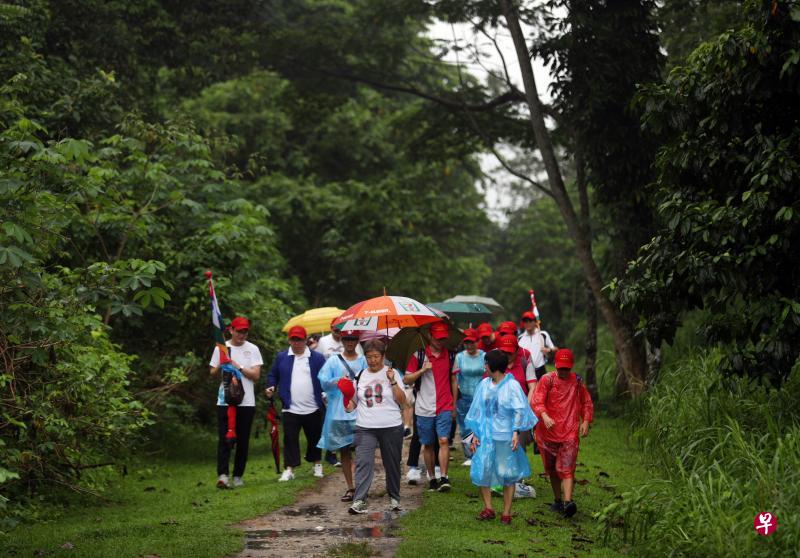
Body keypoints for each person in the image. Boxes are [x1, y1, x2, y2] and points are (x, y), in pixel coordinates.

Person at [467, 350, 538, 525]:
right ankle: (489, 508)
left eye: (486, 363)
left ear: (494, 366)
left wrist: (515, 432)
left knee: (508, 474)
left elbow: (520, 410)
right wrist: (475, 433)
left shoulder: (512, 386)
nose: (484, 366)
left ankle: (506, 513)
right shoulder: (484, 384)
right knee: (483, 470)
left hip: (505, 436)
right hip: (486, 436)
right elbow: (478, 411)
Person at [344, 339, 407, 514]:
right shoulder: (361, 375)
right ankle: (359, 500)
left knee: (392, 463)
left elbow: (403, 402)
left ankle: (394, 497)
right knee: (363, 462)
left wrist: (393, 381)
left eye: (376, 356)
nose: (373, 360)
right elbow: (353, 403)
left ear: (383, 356)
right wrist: (347, 402)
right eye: (369, 357)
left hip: (391, 425)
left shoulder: (392, 373)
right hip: (365, 426)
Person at [531, 348, 594, 518]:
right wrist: (544, 416)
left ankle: (568, 502)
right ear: (556, 366)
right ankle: (558, 500)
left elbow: (586, 402)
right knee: (551, 469)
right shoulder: (547, 380)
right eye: (561, 368)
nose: (563, 372)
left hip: (569, 433)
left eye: (566, 368)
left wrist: (586, 420)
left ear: (571, 367)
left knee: (566, 468)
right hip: (547, 433)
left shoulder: (577, 382)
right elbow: (537, 400)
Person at [266, 325, 327, 482]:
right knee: (290, 438)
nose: (296, 343)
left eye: (299, 339)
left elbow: (324, 378)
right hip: (290, 406)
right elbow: (273, 374)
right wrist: (271, 386)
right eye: (293, 339)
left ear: (305, 340)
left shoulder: (317, 358)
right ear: (289, 340)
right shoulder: (282, 357)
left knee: (314, 437)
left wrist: (325, 394)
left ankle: (317, 464)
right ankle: (289, 469)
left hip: (313, 406)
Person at [209, 316, 263, 489]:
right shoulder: (222, 348)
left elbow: (256, 376)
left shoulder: (253, 349)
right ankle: (223, 475)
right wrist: (222, 363)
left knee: (243, 440)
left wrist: (237, 366)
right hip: (225, 401)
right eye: (239, 331)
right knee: (224, 438)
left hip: (246, 402)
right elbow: (212, 372)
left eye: (245, 331)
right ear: (231, 330)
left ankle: (238, 475)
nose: (242, 334)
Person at [403, 321, 456, 492]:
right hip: (424, 408)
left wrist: (454, 403)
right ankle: (432, 478)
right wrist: (422, 370)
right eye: (438, 338)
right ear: (430, 337)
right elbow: (407, 379)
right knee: (428, 444)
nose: (441, 341)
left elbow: (454, 380)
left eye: (443, 338)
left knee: (444, 440)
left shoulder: (450, 355)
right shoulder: (418, 356)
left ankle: (444, 477)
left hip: (444, 405)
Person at [316, 330, 366, 502]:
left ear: (357, 340)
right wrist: (339, 380)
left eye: (353, 339)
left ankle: (361, 486)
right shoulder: (333, 361)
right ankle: (351, 487)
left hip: (360, 412)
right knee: (344, 451)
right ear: (342, 340)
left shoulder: (364, 360)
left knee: (363, 451)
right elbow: (323, 382)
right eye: (347, 339)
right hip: (339, 412)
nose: (350, 342)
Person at [453, 328, 485, 466]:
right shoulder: (459, 357)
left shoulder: (484, 356)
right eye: (466, 342)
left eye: (472, 342)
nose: (469, 345)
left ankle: (480, 452)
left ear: (477, 341)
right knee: (465, 427)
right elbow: (455, 377)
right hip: (464, 397)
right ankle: (470, 455)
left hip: (481, 396)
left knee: (480, 426)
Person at [517, 312, 557, 379]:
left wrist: (549, 350)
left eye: (530, 321)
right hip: (526, 372)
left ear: (535, 322)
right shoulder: (520, 338)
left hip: (540, 370)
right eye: (525, 321)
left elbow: (555, 349)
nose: (527, 323)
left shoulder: (543, 334)